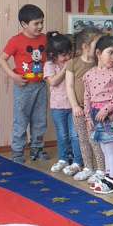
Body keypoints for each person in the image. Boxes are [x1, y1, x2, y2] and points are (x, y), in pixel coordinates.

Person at [0, 4, 49, 164]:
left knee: (40, 120)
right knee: (21, 120)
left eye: (41, 22)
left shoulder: (45, 39)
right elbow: (2, 59)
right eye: (36, 23)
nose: (40, 26)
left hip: (41, 85)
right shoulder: (16, 41)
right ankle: (18, 151)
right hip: (23, 87)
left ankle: (37, 149)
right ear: (24, 24)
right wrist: (13, 76)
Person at [83, 35, 113, 194]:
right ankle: (107, 178)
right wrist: (88, 117)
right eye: (111, 53)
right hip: (95, 114)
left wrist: (106, 109)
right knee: (103, 148)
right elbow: (87, 96)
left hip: (110, 116)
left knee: (110, 148)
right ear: (98, 53)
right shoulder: (89, 74)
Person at [65, 26, 106, 182]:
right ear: (85, 46)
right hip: (79, 109)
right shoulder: (73, 63)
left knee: (95, 140)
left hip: (95, 110)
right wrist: (75, 106)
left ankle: (101, 170)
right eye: (97, 44)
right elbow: (69, 86)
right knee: (82, 139)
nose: (100, 48)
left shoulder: (99, 63)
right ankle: (88, 167)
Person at [43, 32, 83, 175]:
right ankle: (63, 159)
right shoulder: (49, 65)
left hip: (74, 105)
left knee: (75, 135)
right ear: (53, 55)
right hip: (58, 107)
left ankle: (78, 161)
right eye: (63, 55)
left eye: (69, 54)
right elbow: (53, 81)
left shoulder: (74, 62)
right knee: (62, 135)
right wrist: (66, 68)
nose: (67, 57)